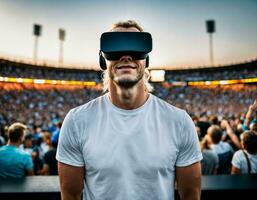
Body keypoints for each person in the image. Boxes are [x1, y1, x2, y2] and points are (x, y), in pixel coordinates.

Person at [57, 20, 202, 200]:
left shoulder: (179, 121)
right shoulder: (77, 121)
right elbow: (70, 195)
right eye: (115, 48)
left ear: (145, 60)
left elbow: (191, 194)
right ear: (103, 60)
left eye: (135, 47)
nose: (126, 56)